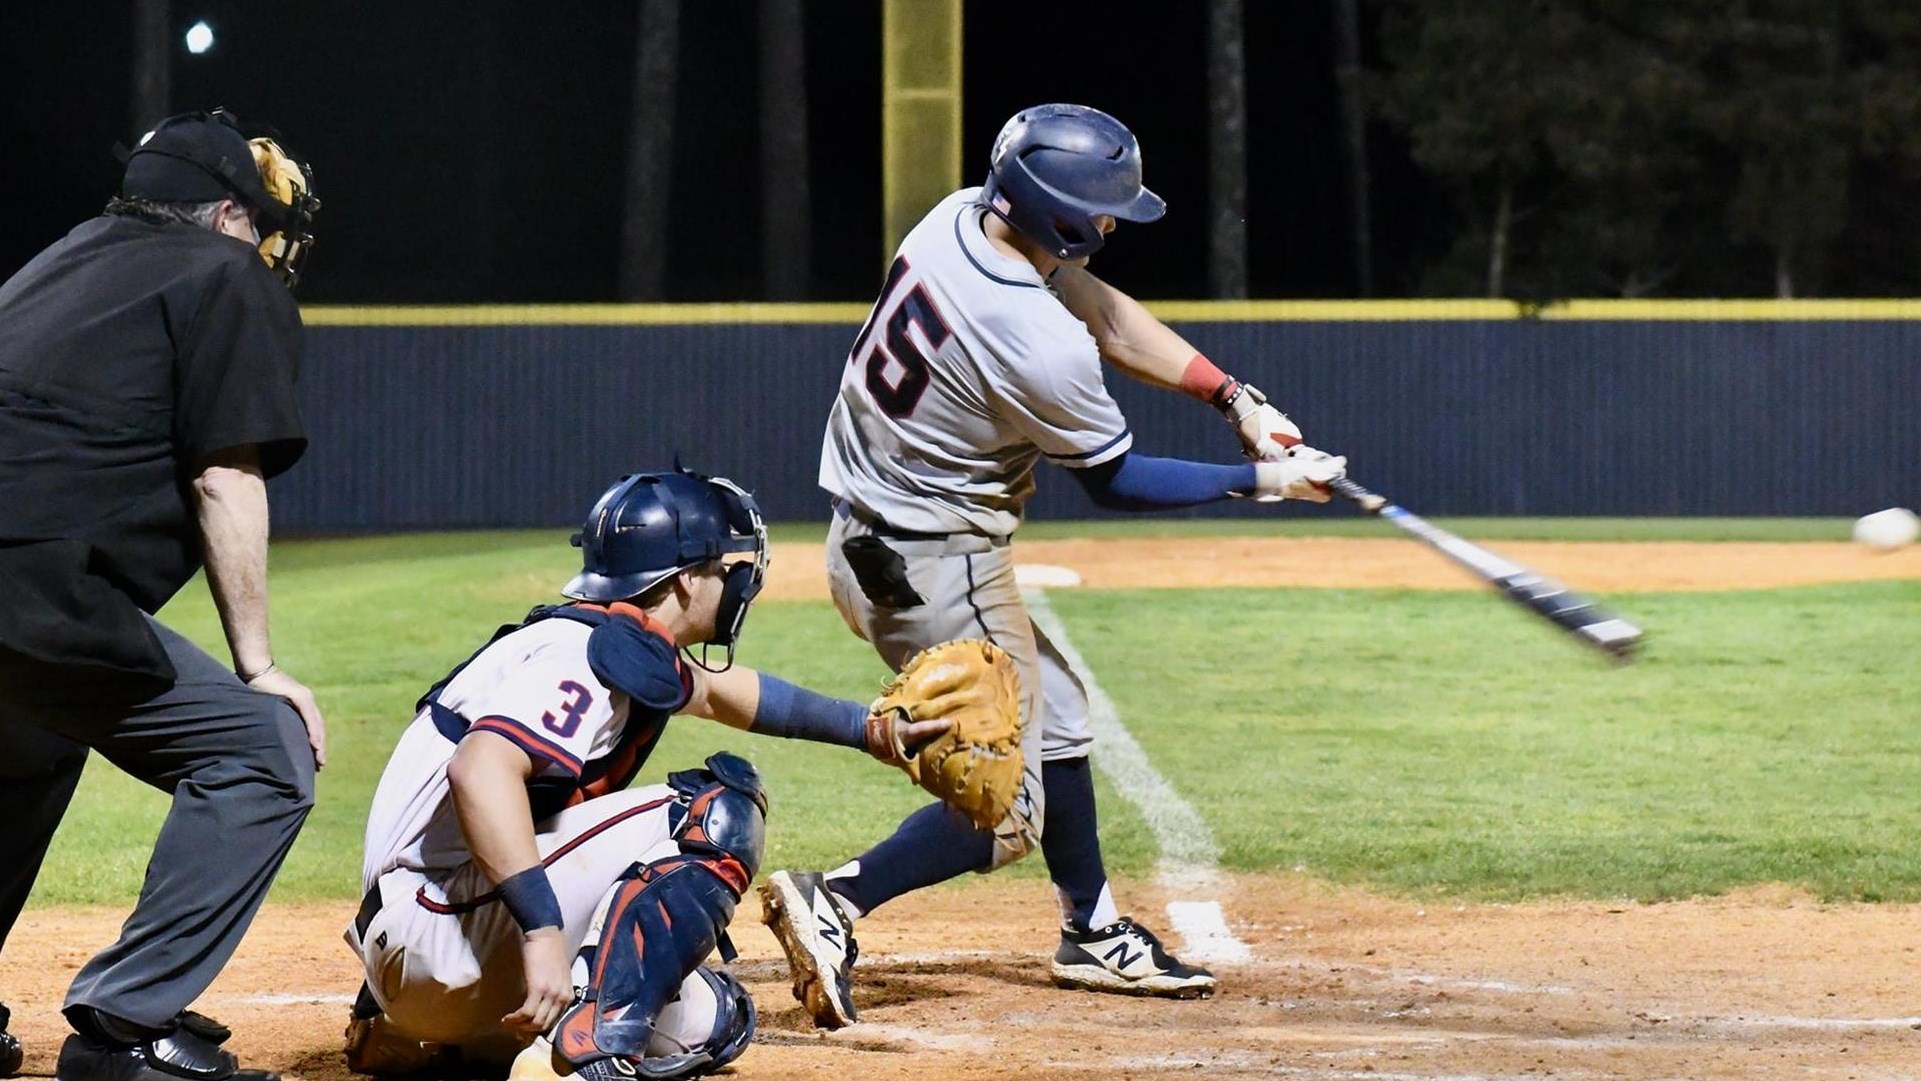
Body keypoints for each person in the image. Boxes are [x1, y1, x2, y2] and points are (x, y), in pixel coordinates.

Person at [759, 102, 1347, 1026]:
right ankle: (833, 897)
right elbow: (1114, 481)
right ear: (1060, 216)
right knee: (1007, 810)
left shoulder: (959, 218)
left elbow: (1101, 310)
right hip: (938, 566)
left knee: (1062, 710)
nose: (1113, 224)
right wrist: (1264, 479)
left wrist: (1232, 398)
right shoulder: (1031, 339)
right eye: (1102, 211)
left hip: (870, 539)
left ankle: (1093, 928)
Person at [342, 469, 953, 1081]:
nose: (738, 581)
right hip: (437, 931)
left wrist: (871, 730)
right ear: (687, 579)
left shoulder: (612, 642)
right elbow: (479, 768)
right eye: (723, 568)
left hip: (429, 948)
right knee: (715, 813)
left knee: (720, 1018)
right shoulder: (581, 658)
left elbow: (721, 695)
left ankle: (418, 1037)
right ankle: (582, 1057)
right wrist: (542, 933)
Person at [0, 109, 322, 1081]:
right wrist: (258, 666)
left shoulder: (50, 265)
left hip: (22, 586)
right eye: (257, 224)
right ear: (227, 214)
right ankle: (126, 1028)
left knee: (27, 744)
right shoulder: (225, 275)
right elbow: (225, 476)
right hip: (27, 580)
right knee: (262, 753)